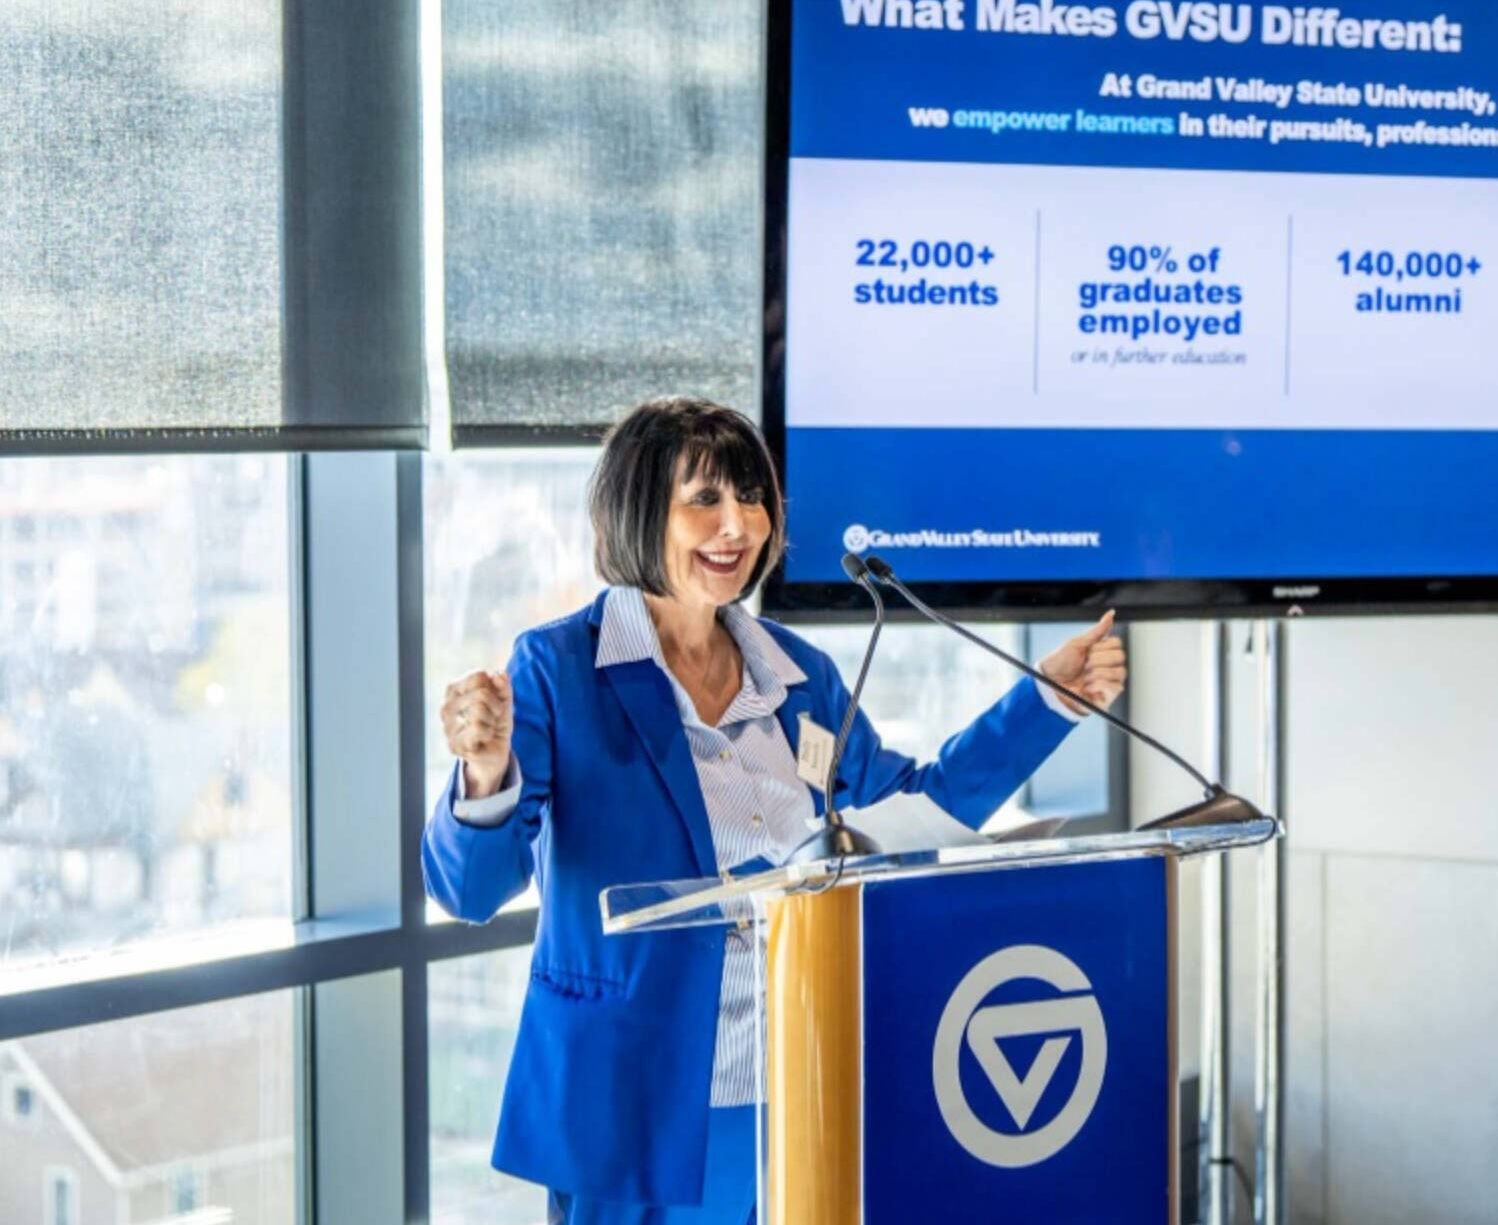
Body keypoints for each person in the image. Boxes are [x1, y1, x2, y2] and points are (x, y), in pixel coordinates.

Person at [421, 397, 1127, 1224]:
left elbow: (911, 809)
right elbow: (469, 892)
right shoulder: (557, 668)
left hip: (797, 1075)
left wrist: (1045, 704)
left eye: (752, 498)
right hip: (636, 1096)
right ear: (638, 509)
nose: (737, 526)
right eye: (706, 500)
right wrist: (484, 769)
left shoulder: (798, 674)